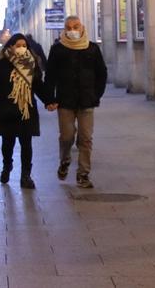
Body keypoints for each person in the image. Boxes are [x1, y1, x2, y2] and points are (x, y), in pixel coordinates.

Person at [44, 16, 107, 189]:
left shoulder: (92, 48)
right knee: (67, 136)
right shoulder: (57, 49)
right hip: (65, 101)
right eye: (69, 27)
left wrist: (97, 95)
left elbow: (101, 73)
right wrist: (49, 98)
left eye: (76, 26)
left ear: (82, 27)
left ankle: (83, 174)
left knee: (85, 138)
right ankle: (65, 160)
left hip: (87, 100)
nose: (72, 30)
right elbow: (50, 76)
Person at [0, 33, 53, 189]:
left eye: (24, 45)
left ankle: (26, 175)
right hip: (7, 109)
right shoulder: (2, 64)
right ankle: (7, 166)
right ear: (10, 46)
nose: (21, 48)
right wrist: (0, 102)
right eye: (18, 45)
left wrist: (49, 100)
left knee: (26, 143)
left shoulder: (31, 64)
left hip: (26, 109)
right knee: (8, 142)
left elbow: (37, 85)